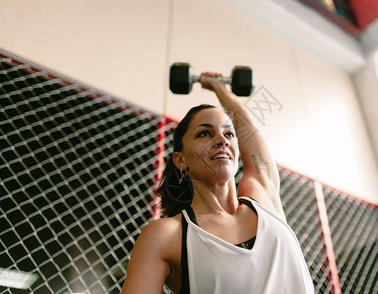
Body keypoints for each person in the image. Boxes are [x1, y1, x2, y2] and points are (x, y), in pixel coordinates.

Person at [121, 72, 314, 293]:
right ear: (180, 160)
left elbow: (250, 132)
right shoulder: (167, 235)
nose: (222, 140)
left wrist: (220, 88)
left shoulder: (264, 199)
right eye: (205, 133)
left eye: (229, 134)